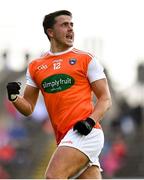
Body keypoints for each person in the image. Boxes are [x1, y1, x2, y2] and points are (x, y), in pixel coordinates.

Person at [6, 10, 112, 179]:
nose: (70, 29)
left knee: (53, 177)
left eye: (72, 25)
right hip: (64, 138)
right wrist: (13, 97)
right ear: (51, 32)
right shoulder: (36, 66)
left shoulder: (86, 59)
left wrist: (89, 122)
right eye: (64, 25)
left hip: (85, 133)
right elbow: (28, 108)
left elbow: (105, 99)